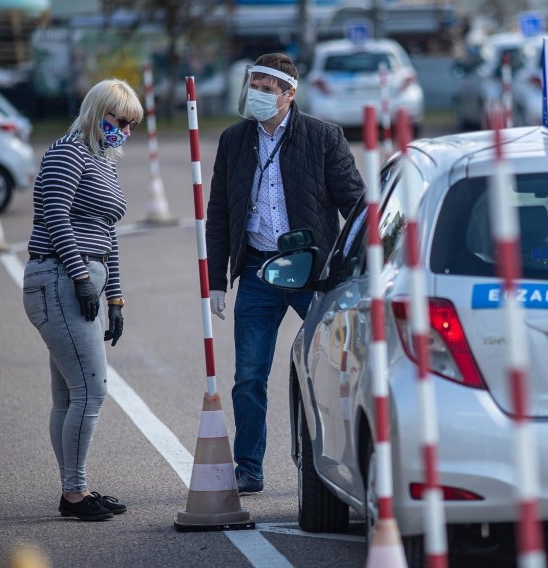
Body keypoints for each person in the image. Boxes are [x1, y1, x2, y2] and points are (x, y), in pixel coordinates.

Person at [206, 53, 364, 494]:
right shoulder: (234, 141)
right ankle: (248, 467)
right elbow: (218, 213)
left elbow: (355, 204)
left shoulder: (323, 137)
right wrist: (216, 280)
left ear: (289, 94)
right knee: (249, 377)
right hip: (257, 270)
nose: (256, 94)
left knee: (332, 370)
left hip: (313, 272)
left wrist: (358, 266)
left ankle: (336, 462)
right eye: (252, 85)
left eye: (265, 88)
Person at [22, 79, 143, 521]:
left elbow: (108, 234)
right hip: (58, 274)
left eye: (130, 124)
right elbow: (54, 215)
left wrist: (115, 297)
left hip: (84, 275)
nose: (124, 130)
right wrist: (79, 275)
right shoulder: (68, 151)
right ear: (97, 112)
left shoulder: (103, 160)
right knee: (91, 391)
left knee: (69, 395)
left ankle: (74, 488)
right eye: (118, 119)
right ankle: (74, 494)